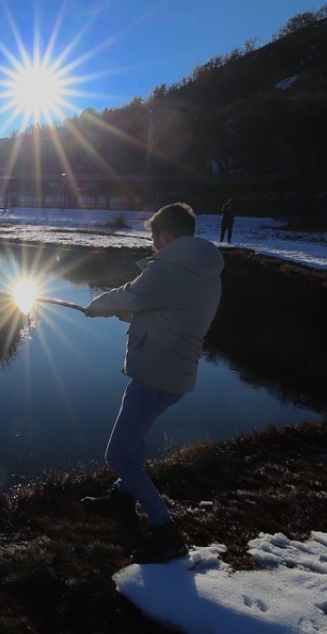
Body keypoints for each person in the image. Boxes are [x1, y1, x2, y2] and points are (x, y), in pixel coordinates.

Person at [81, 202, 224, 564]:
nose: (153, 246)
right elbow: (170, 309)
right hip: (175, 372)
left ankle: (165, 531)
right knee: (136, 438)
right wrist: (134, 315)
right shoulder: (202, 267)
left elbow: (129, 294)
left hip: (155, 375)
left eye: (153, 238)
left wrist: (98, 305)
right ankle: (122, 494)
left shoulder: (168, 268)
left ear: (164, 235)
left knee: (117, 454)